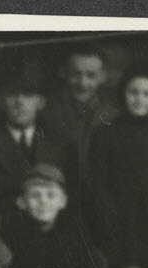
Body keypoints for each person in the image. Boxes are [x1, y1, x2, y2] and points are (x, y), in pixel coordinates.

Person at [2, 163, 110, 268]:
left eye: (51, 195)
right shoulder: (11, 233)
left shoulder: (73, 234)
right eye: (35, 195)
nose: (43, 201)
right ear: (21, 202)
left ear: (63, 201)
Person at [88, 69, 148, 268]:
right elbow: (97, 184)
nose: (139, 99)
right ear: (123, 94)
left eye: (147, 94)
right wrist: (109, 219)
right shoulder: (104, 134)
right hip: (120, 225)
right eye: (133, 92)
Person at [0, 63, 80, 219]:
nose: (19, 101)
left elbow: (71, 195)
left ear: (41, 102)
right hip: (2, 222)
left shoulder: (62, 143)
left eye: (28, 95)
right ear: (1, 101)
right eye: (12, 94)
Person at [39, 43, 115, 181]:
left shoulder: (115, 113)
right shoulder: (45, 111)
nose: (83, 83)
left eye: (91, 75)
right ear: (63, 72)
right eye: (76, 74)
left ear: (103, 77)